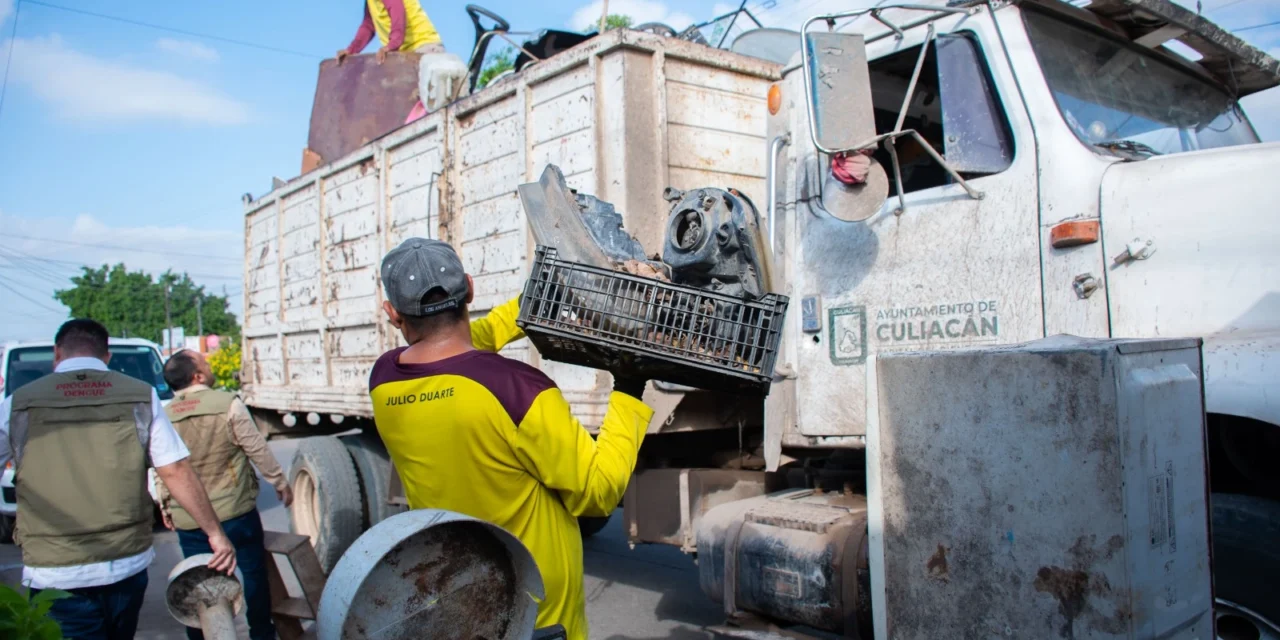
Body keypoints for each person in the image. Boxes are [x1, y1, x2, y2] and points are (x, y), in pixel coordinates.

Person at [369, 238, 653, 640]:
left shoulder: (383, 380)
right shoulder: (518, 390)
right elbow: (598, 491)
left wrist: (530, 304)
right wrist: (628, 391)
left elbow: (459, 350)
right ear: (469, 288)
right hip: (537, 613)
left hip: (459, 595)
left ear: (392, 313)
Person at [0, 319, 235, 640]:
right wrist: (215, 534)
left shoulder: (17, 403)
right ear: (106, 356)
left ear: (58, 353)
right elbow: (174, 470)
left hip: (53, 572)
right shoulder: (141, 396)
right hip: (125, 563)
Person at [156, 350, 294, 640]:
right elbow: (255, 447)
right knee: (253, 574)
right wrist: (279, 481)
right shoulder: (227, 404)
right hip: (235, 513)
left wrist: (165, 506)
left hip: (190, 518)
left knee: (196, 581)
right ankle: (261, 634)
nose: (208, 365)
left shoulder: (163, 416)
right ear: (198, 376)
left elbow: (160, 468)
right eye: (204, 363)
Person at [337, 0, 444, 64]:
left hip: (422, 46)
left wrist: (391, 45)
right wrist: (351, 50)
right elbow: (368, 25)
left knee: (426, 98)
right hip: (402, 53)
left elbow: (397, 12)